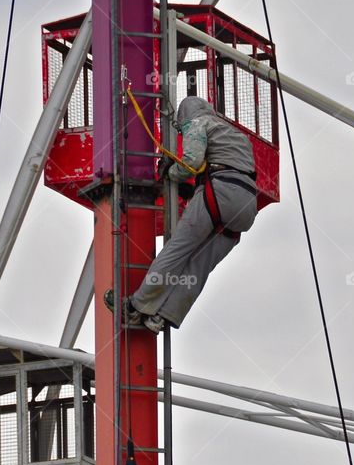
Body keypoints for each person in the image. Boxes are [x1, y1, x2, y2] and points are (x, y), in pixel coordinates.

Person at [105, 95, 258, 333]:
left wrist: (171, 173)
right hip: (246, 205)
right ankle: (162, 317)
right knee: (199, 266)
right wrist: (193, 187)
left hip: (218, 193)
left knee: (177, 250)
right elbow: (227, 165)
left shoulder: (197, 123)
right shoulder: (237, 136)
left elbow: (191, 161)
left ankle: (137, 306)